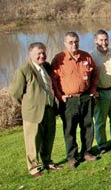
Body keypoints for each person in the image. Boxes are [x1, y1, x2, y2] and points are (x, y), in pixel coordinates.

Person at [10, 42, 63, 177]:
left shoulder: (46, 66)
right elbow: (16, 94)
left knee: (48, 138)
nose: (42, 55)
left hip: (49, 110)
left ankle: (47, 161)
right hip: (33, 113)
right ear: (30, 54)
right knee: (32, 141)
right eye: (38, 53)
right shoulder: (23, 70)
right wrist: (30, 105)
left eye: (43, 52)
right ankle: (34, 168)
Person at [51, 32, 98, 168]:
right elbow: (53, 81)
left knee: (88, 127)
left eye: (76, 41)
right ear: (65, 43)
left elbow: (95, 73)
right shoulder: (59, 59)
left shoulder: (86, 56)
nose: (74, 44)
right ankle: (72, 157)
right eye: (70, 42)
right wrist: (60, 96)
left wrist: (93, 91)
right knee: (70, 129)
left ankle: (87, 152)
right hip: (69, 101)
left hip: (86, 97)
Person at [91, 29, 111, 153]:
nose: (104, 43)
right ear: (95, 41)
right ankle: (102, 145)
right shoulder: (92, 56)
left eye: (106, 40)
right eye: (101, 40)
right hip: (101, 92)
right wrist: (94, 92)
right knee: (100, 120)